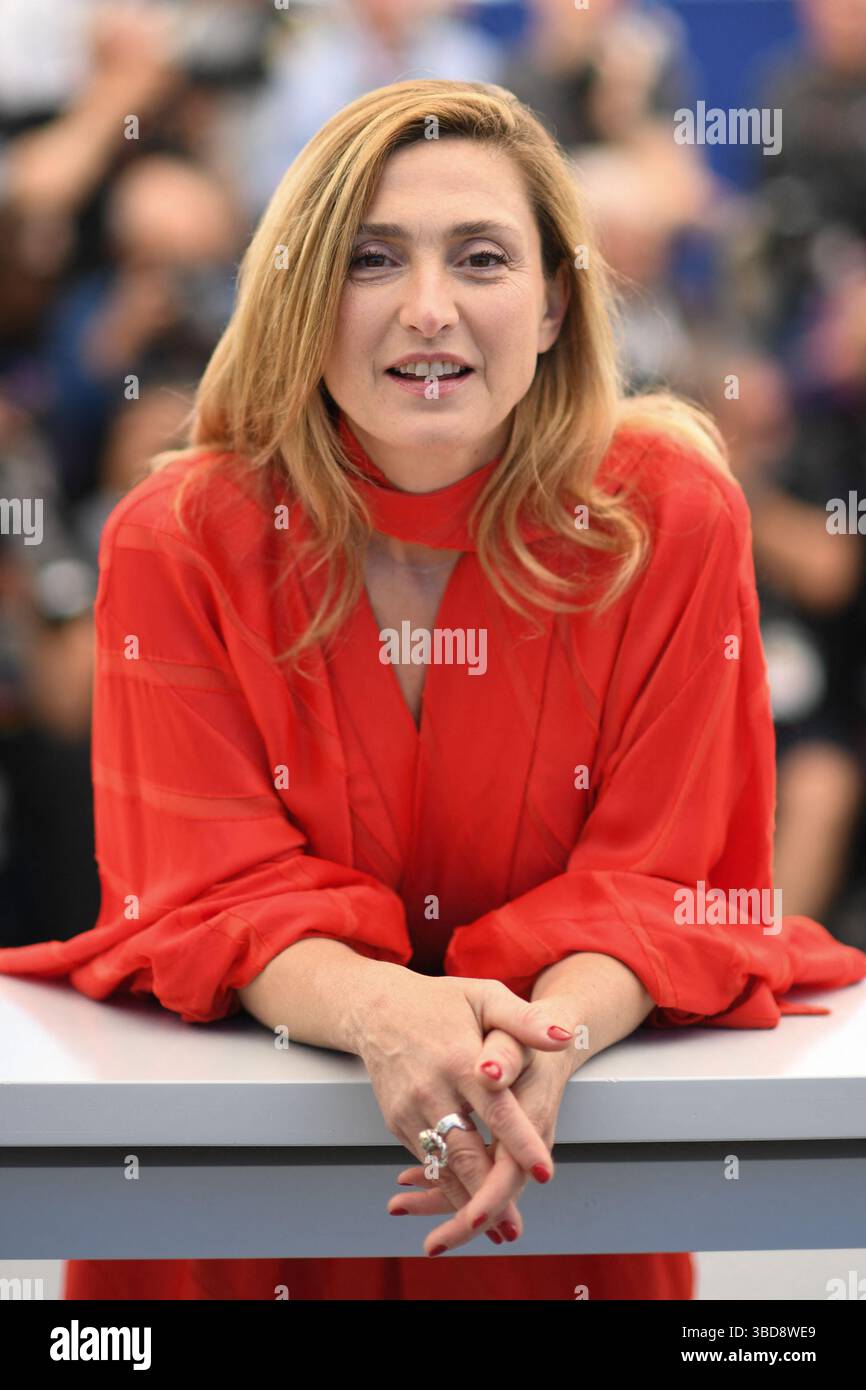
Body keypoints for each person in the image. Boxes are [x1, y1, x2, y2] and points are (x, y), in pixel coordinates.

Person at [1, 79, 864, 1302]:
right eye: (369, 259)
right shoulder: (174, 537)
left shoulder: (671, 516)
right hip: (229, 1211)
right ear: (303, 294)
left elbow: (675, 877)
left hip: (552, 1194)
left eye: (480, 258)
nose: (426, 310)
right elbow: (199, 889)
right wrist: (382, 1016)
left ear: (556, 300)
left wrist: (546, 1041)